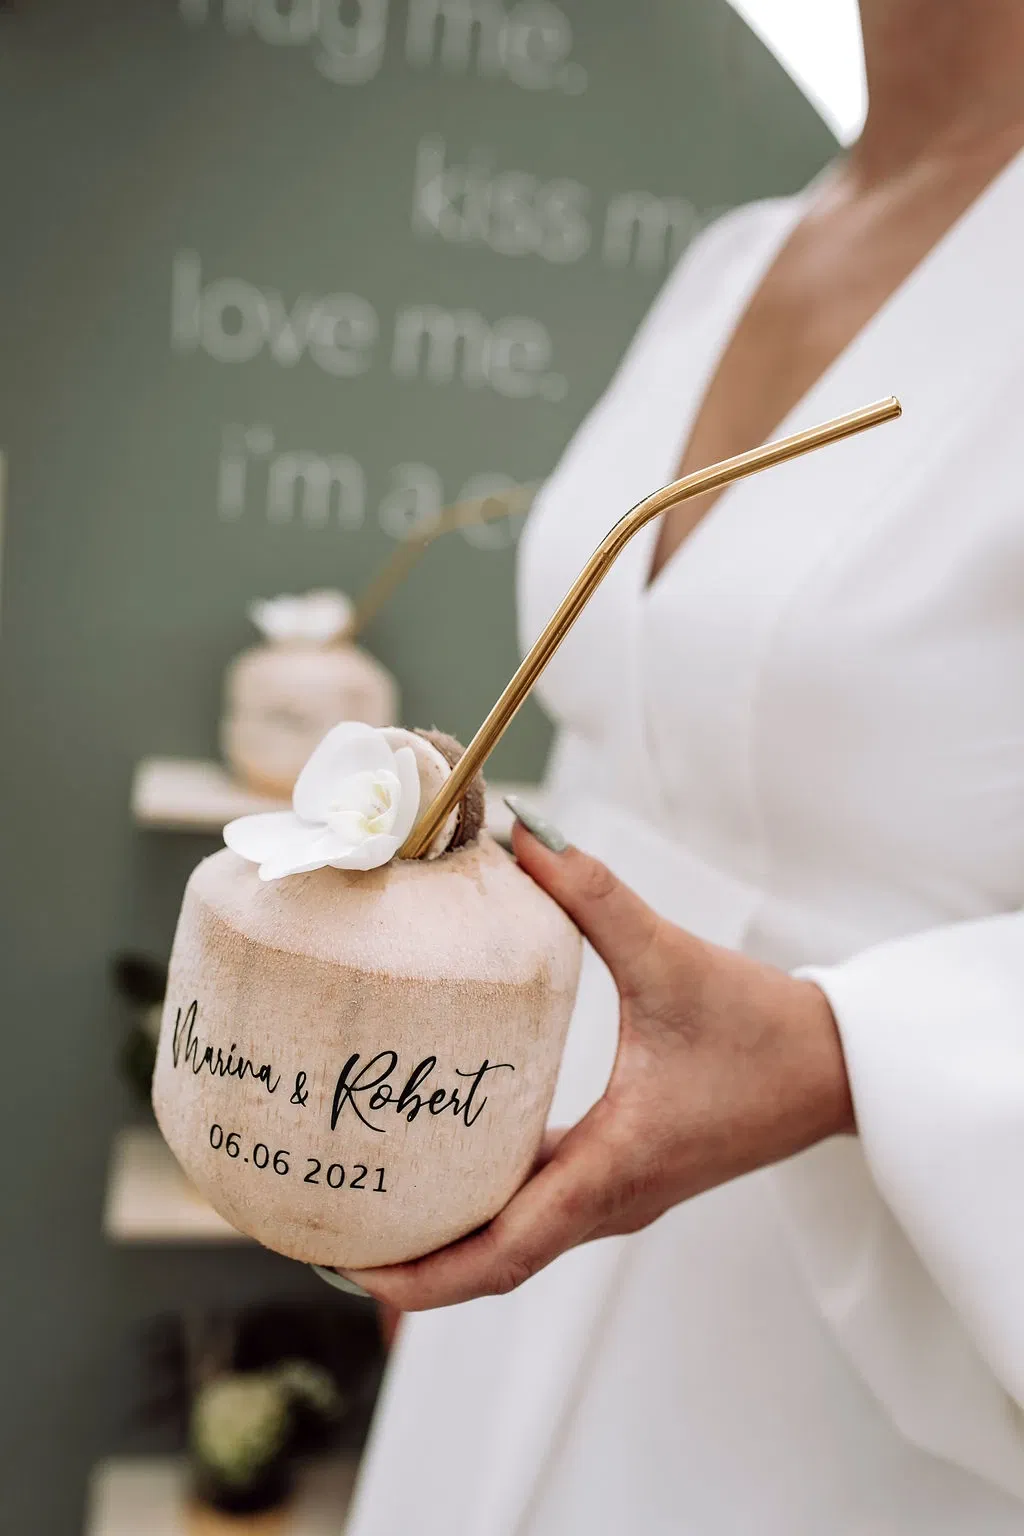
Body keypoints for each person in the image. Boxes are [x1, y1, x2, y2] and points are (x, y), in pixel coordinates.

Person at [335, 3, 1024, 1529]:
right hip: (528, 1212)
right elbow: (607, 748)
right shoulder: (736, 256)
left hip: (858, 1315)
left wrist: (844, 1052)